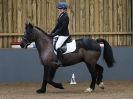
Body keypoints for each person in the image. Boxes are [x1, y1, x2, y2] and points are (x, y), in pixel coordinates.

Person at [51, 2, 70, 66]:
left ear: (64, 9)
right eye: (59, 9)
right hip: (60, 34)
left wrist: (55, 33)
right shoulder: (60, 15)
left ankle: (60, 61)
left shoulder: (66, 17)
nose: (59, 10)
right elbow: (57, 26)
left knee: (57, 46)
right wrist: (52, 32)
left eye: (60, 9)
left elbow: (62, 28)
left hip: (64, 35)